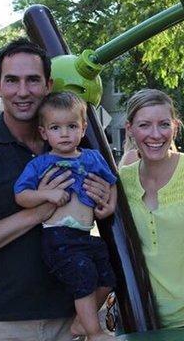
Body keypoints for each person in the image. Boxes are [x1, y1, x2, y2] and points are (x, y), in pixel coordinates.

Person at [0, 38, 112, 341]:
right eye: (12, 81)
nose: (22, 91)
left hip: (67, 321)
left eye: (32, 80)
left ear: (49, 84)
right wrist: (37, 212)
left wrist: (108, 203)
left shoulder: (70, 144)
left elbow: (101, 195)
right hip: (1, 325)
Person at [14, 91, 117, 341]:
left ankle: (82, 322)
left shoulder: (92, 158)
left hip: (84, 234)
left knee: (108, 276)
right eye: (55, 127)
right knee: (84, 277)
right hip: (58, 237)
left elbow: (112, 182)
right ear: (44, 133)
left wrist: (110, 206)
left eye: (71, 126)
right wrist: (46, 195)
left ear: (82, 129)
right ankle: (94, 332)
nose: (64, 133)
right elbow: (21, 195)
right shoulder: (40, 164)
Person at [118, 89, 184, 329]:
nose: (155, 134)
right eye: (144, 125)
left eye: (163, 124)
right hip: (139, 316)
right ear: (130, 129)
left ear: (175, 127)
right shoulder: (123, 179)